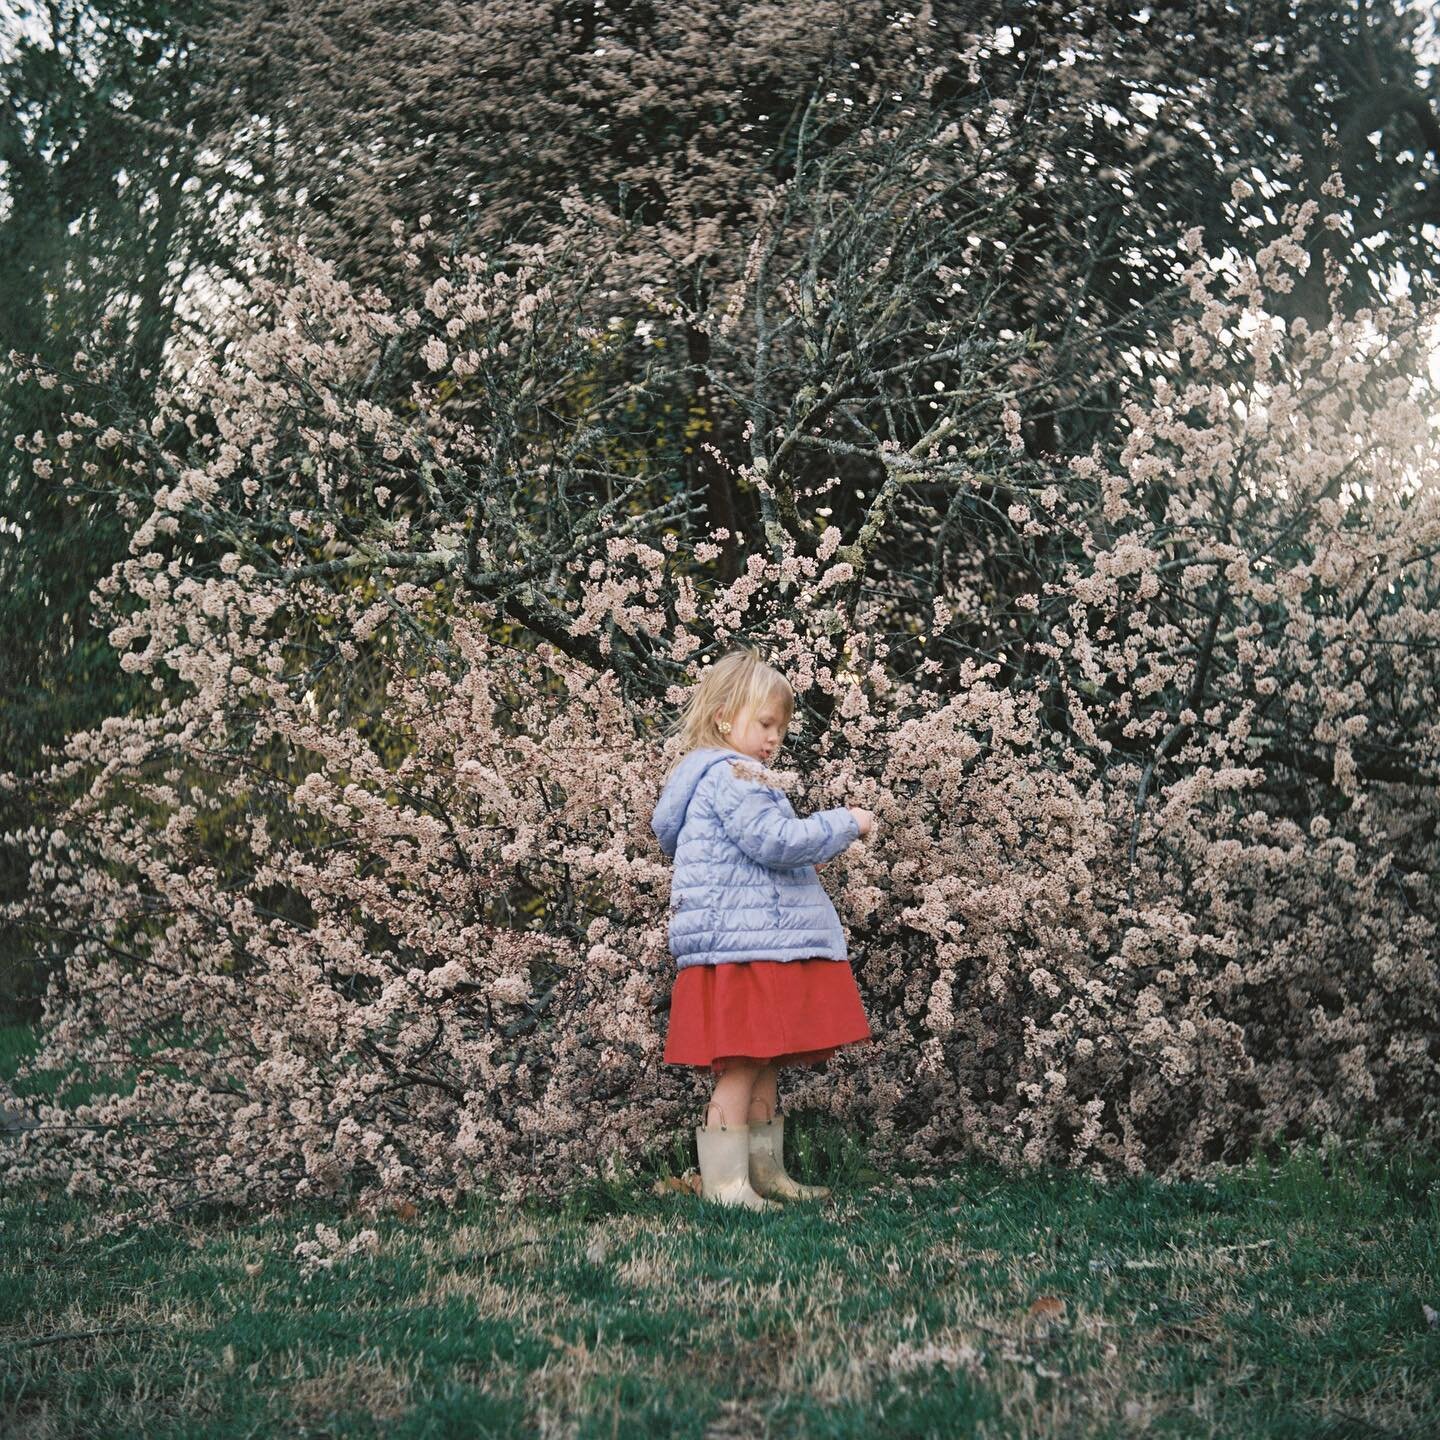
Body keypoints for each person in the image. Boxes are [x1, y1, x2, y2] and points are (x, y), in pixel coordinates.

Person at [650, 646, 876, 1211]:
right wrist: (844, 822)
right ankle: (728, 1187)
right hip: (744, 946)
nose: (775, 737)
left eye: (782, 726)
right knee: (742, 1064)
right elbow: (776, 842)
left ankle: (764, 1172)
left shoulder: (735, 776)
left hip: (753, 942)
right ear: (727, 717)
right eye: (765, 723)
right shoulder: (733, 777)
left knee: (764, 1058)